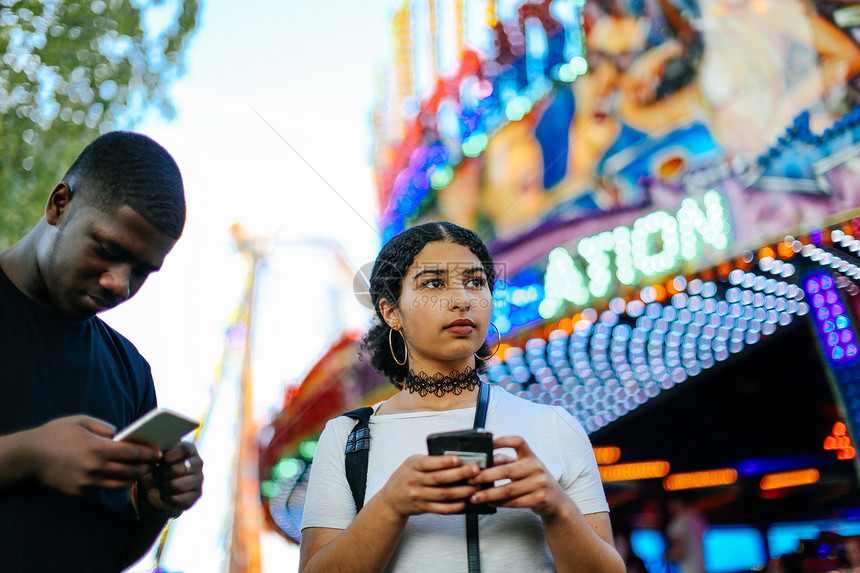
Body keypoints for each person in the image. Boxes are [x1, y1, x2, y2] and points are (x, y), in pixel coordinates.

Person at [299, 221, 624, 572]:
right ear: (391, 312)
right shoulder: (347, 438)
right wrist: (390, 504)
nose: (462, 299)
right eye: (434, 284)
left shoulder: (556, 426)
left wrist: (556, 506)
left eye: (475, 282)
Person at [0, 131, 204, 572]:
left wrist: (155, 507)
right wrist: (28, 455)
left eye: (143, 271)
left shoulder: (129, 372)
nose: (120, 284)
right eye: (108, 250)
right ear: (59, 204)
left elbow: (106, 551)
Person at [664, 495, 708, 573]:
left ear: (678, 503)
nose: (669, 507)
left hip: (688, 569)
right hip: (701, 568)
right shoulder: (698, 517)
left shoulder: (678, 522)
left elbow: (680, 552)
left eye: (671, 504)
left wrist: (664, 556)